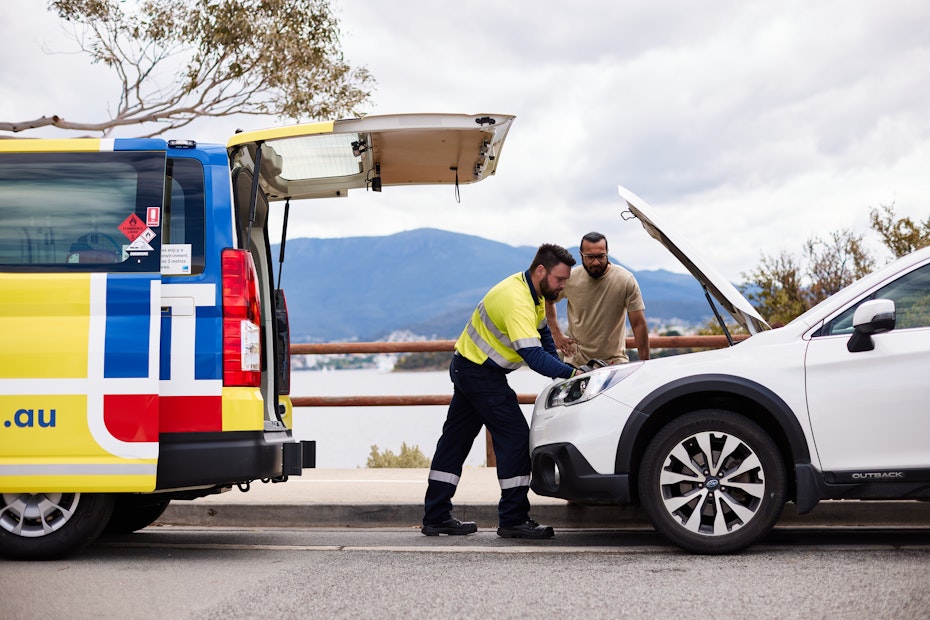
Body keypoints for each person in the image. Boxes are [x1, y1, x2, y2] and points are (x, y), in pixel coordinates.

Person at [422, 243, 580, 540]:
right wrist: (571, 373)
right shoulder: (516, 300)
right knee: (516, 437)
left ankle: (436, 516)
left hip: (472, 370)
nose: (562, 286)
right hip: (479, 374)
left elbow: (544, 334)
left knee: (454, 442)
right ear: (541, 271)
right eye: (560, 280)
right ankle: (513, 519)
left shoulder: (533, 294)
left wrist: (560, 369)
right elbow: (533, 357)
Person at [546, 232, 650, 366]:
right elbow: (547, 300)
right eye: (590, 257)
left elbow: (639, 324)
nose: (596, 262)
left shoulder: (626, 280)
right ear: (581, 255)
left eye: (601, 256)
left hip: (614, 362)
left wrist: (645, 365)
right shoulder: (569, 278)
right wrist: (556, 334)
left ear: (607, 252)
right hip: (576, 363)